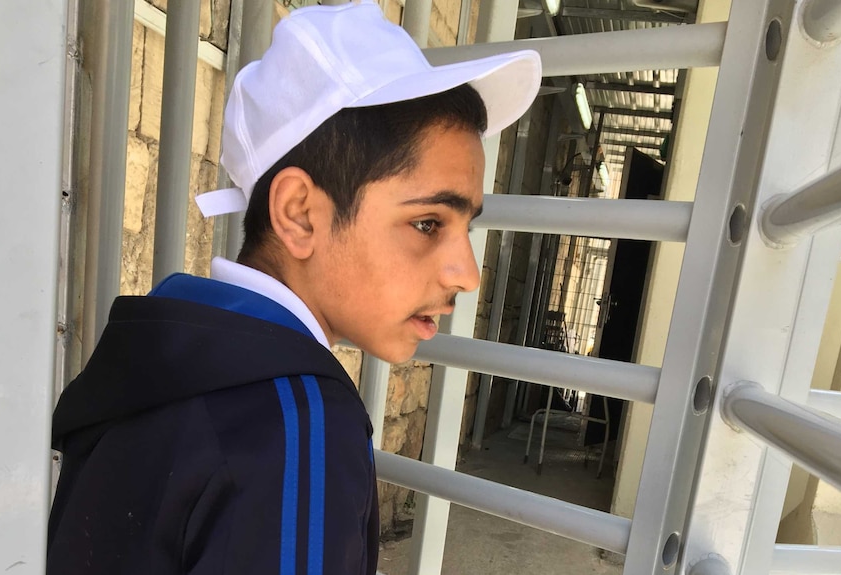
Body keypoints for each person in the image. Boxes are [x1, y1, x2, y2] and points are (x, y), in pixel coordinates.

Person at [47, 2, 540, 574]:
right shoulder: (296, 428)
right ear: (299, 214)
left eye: (467, 226)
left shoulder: (161, 355)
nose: (467, 274)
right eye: (428, 223)